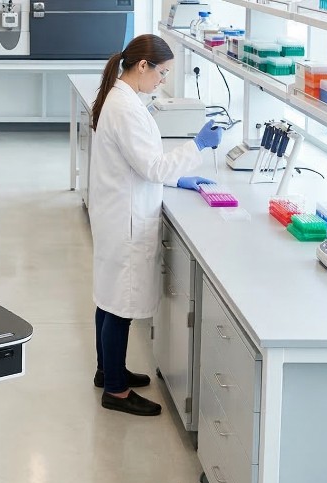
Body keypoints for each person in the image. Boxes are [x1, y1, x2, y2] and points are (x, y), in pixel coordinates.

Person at [88, 34, 222, 417]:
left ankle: (106, 370)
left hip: (118, 212)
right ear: (142, 66)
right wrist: (198, 146)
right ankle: (115, 390)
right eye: (161, 72)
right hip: (125, 219)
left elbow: (141, 163)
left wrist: (179, 179)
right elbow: (151, 166)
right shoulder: (126, 108)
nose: (162, 80)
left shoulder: (121, 99)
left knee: (109, 298)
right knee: (119, 305)